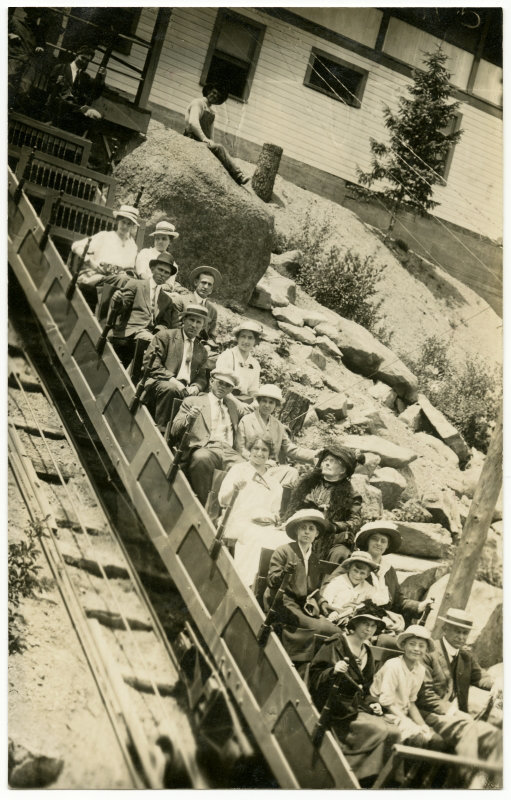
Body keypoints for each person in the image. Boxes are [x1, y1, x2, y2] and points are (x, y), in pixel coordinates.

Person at [309, 603, 400, 782]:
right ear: (355, 624)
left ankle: (371, 780)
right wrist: (334, 670)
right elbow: (314, 677)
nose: (369, 629)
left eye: (373, 626)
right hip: (334, 708)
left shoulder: (367, 651)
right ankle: (349, 775)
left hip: (354, 707)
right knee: (379, 728)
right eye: (365, 623)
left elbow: (365, 689)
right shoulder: (336, 642)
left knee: (394, 732)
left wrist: (372, 702)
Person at [323, 520, 432, 642]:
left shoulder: (388, 569)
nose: (379, 543)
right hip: (357, 617)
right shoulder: (355, 562)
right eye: (375, 539)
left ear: (387, 545)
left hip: (382, 620)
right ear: (368, 541)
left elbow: (398, 600)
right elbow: (329, 585)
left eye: (383, 541)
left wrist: (418, 606)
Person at [417, 608, 501, 763]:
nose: (461, 637)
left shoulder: (465, 656)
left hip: (454, 716)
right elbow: (424, 695)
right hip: (427, 713)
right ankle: (464, 777)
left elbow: (481, 677)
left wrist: (498, 684)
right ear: (444, 629)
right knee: (469, 732)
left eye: (465, 633)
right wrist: (452, 711)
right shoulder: (429, 652)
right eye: (457, 632)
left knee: (492, 735)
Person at [264, 509, 340, 663]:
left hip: (301, 606)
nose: (307, 532)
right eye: (303, 528)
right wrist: (284, 574)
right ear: (297, 531)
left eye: (311, 529)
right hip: (282, 603)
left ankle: (317, 664)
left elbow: (312, 589)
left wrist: (323, 602)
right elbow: (271, 580)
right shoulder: (284, 551)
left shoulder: (313, 558)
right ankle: (299, 661)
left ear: (317, 534)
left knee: (336, 630)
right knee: (321, 629)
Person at [217, 436, 291, 587]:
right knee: (257, 537)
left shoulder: (274, 482)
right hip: (237, 521)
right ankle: (246, 582)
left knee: (285, 540)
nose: (259, 453)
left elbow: (274, 512)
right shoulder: (238, 470)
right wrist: (235, 489)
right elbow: (222, 501)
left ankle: (268, 584)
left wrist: (274, 519)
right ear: (249, 451)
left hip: (263, 525)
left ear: (270, 454)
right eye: (255, 448)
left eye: (264, 450)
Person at [170, 368, 245, 505]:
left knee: (245, 470)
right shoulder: (193, 401)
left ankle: (228, 512)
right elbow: (174, 430)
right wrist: (189, 418)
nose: (223, 387)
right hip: (206, 447)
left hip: (229, 451)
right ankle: (206, 508)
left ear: (231, 390)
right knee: (201, 458)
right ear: (211, 381)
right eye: (220, 382)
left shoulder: (232, 406)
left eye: (227, 385)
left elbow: (255, 412)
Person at [98, 252, 184, 368]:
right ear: (153, 269)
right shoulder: (136, 284)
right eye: (160, 270)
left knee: (164, 345)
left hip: (149, 334)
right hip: (131, 330)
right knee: (155, 343)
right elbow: (122, 307)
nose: (162, 274)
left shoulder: (166, 299)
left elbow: (164, 323)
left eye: (166, 273)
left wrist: (158, 330)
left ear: (169, 276)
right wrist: (118, 300)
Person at [286, 444, 364, 563]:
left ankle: (328, 581)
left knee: (341, 553)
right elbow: (290, 500)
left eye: (332, 461)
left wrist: (333, 526)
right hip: (300, 530)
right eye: (325, 460)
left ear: (343, 470)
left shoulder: (352, 495)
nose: (327, 463)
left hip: (329, 538)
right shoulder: (306, 484)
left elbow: (355, 522)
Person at [371, 625, 445, 748]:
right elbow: (386, 703)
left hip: (401, 714)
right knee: (418, 738)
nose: (416, 649)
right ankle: (399, 766)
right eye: (412, 644)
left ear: (426, 650)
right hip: (382, 711)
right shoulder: (393, 666)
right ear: (404, 645)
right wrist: (408, 723)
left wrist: (422, 725)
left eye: (421, 646)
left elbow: (411, 702)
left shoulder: (420, 670)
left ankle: (416, 766)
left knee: (435, 739)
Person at [142, 303, 209, 433]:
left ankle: (188, 441)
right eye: (191, 320)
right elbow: (152, 365)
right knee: (171, 389)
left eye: (199, 322)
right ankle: (161, 432)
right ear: (183, 320)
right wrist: (174, 381)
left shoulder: (202, 350)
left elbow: (202, 377)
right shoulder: (165, 336)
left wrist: (196, 387)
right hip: (162, 383)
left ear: (203, 326)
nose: (194, 325)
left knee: (205, 400)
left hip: (187, 390)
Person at [235, 384, 316, 486]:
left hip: (271, 469)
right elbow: (240, 448)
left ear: (276, 405)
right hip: (250, 465)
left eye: (271, 402)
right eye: (264, 401)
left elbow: (291, 449)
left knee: (292, 472)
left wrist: (315, 455)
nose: (267, 405)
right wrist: (261, 461)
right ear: (259, 401)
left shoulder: (277, 425)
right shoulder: (246, 420)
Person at [184, 82, 249, 185]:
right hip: (191, 137)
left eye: (218, 96)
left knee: (217, 148)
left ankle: (234, 176)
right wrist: (204, 139)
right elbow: (193, 122)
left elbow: (211, 134)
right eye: (213, 92)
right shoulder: (198, 103)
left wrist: (210, 142)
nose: (214, 96)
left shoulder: (212, 112)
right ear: (208, 91)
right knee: (220, 148)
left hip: (202, 141)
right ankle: (238, 175)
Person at [73, 204, 139, 292]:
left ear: (132, 226)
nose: (125, 226)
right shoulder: (105, 236)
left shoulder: (132, 246)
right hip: (97, 274)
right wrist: (90, 261)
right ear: (117, 221)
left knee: (132, 284)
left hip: (117, 278)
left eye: (129, 224)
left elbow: (129, 268)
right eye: (123, 222)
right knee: (122, 280)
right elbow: (76, 246)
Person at [45, 44, 106, 134]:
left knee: (98, 115)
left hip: (74, 109)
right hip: (58, 104)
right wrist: (57, 83)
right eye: (83, 58)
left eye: (87, 61)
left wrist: (103, 79)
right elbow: (49, 88)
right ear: (76, 55)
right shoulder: (61, 68)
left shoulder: (85, 77)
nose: (84, 62)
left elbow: (93, 95)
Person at [319, 551, 379, 626]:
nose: (357, 576)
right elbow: (326, 605)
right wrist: (341, 610)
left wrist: (355, 609)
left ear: (368, 575)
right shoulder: (337, 582)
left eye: (362, 573)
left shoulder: (368, 588)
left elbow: (371, 606)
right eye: (355, 571)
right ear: (349, 568)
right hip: (332, 619)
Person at [215, 321, 262, 402]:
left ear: (255, 341)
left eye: (250, 337)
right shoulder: (227, 355)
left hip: (244, 401)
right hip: (223, 398)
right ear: (237, 338)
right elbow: (220, 386)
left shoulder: (255, 364)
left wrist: (254, 403)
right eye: (243, 336)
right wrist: (238, 404)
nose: (246, 341)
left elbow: (253, 390)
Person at [189, 265, 221, 347]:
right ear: (196, 282)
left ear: (212, 289)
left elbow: (211, 335)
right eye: (203, 282)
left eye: (209, 284)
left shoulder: (212, 311)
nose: (206, 287)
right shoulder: (183, 301)